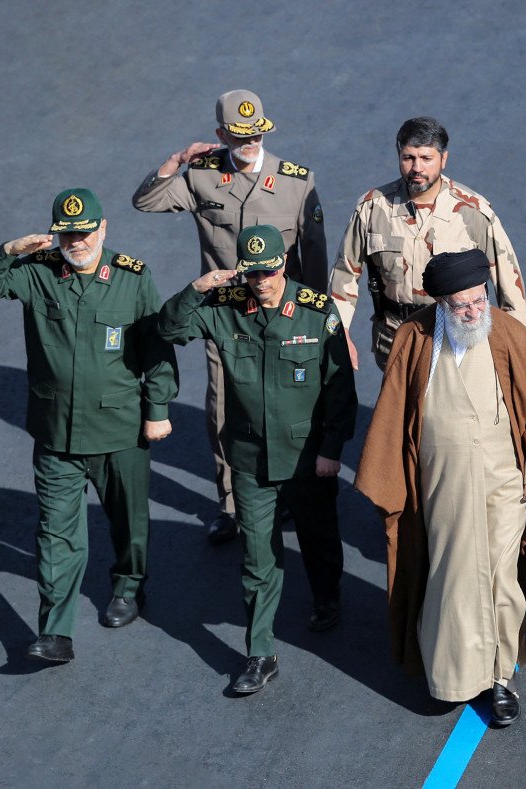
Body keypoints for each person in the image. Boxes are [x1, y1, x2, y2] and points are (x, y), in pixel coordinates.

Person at [0, 188, 177, 662]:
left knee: (128, 519)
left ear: (103, 229)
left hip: (119, 429)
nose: (75, 242)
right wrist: (9, 250)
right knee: (55, 532)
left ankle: (128, 586)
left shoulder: (132, 278)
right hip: (55, 431)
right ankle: (55, 632)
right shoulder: (37, 271)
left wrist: (158, 410)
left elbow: (157, 348)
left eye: (84, 233)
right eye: (66, 235)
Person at [355, 249, 526, 727]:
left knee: (502, 575)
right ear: (440, 302)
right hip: (441, 482)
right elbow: (393, 415)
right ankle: (454, 679)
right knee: (452, 575)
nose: (472, 311)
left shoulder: (509, 333)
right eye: (461, 304)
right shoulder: (414, 338)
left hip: (504, 479)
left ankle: (501, 677)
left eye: (478, 299)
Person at [157, 224, 356, 694]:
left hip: (307, 457)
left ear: (283, 264)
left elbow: (339, 387)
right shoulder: (226, 307)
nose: (261, 281)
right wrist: (197, 288)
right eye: (252, 273)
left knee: (318, 538)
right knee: (257, 556)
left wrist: (331, 451)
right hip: (250, 458)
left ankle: (327, 597)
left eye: (268, 271)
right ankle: (260, 652)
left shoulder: (314, 311)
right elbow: (169, 328)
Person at [133, 89, 327, 546]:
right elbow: (146, 202)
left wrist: (318, 315)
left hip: (284, 313)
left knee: (292, 403)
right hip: (227, 315)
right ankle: (232, 503)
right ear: (221, 135)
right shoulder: (201, 176)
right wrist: (176, 161)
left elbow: (314, 254)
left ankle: (291, 491)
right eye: (240, 136)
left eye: (258, 133)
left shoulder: (297, 182)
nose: (251, 142)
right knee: (223, 407)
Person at [329, 116, 526, 371]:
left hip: (457, 339)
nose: (417, 168)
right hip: (395, 339)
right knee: (399, 399)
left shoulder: (474, 211)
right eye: (408, 158)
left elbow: (509, 284)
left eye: (426, 158)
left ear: (443, 159)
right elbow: (344, 275)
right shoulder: (372, 208)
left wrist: (519, 348)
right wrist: (338, 333)